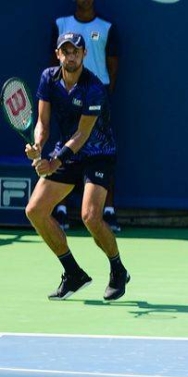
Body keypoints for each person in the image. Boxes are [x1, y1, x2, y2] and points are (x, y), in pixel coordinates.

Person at [24, 32, 129, 301]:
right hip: (67, 151)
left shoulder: (94, 87)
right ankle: (73, 273)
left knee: (90, 216)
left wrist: (54, 161)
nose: (70, 56)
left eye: (76, 51)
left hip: (98, 153)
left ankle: (117, 269)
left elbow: (82, 135)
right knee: (35, 211)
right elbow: (43, 123)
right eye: (65, 51)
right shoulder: (49, 78)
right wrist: (38, 147)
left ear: (83, 55)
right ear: (58, 55)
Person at [51, 0, 121, 232]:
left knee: (101, 150)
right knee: (67, 148)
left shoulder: (106, 27)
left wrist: (100, 94)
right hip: (68, 99)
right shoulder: (61, 24)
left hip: (96, 101)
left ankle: (108, 211)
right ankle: (60, 210)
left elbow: (112, 64)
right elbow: (55, 66)